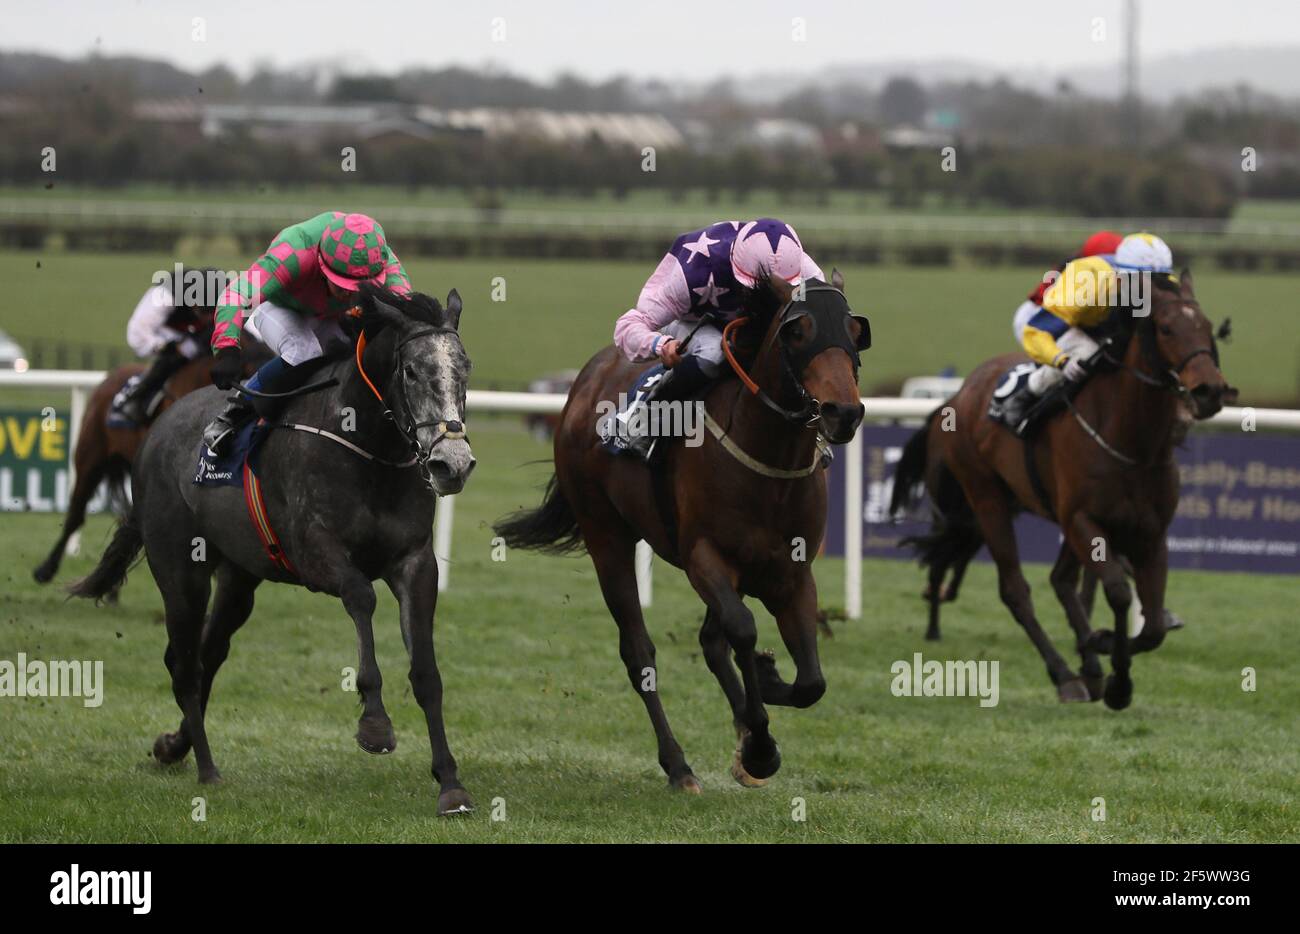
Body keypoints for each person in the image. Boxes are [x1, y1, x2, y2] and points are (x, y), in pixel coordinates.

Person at [609, 218, 823, 459]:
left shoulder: (806, 272)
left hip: (751, 324)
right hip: (692, 320)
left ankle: (809, 430)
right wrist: (660, 344)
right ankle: (648, 415)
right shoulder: (690, 272)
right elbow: (628, 325)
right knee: (713, 353)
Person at [201, 212, 411, 455]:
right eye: (342, 286)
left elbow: (406, 318)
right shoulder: (293, 251)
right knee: (305, 351)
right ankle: (234, 414)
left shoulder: (383, 261)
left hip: (331, 315)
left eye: (357, 288)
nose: (349, 294)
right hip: (280, 307)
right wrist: (227, 349)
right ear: (322, 264)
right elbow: (235, 295)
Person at [1000, 232, 1174, 429]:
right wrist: (1061, 361)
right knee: (1087, 353)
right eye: (1144, 283)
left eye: (1158, 281)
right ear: (1122, 275)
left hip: (1093, 319)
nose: (1151, 290)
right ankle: (1024, 396)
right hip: (1044, 317)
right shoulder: (1087, 281)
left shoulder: (1148, 278)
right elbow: (1038, 331)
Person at [110, 268, 222, 425]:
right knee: (178, 355)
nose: (208, 318)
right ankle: (136, 396)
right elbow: (137, 334)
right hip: (162, 330)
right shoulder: (164, 296)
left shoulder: (228, 293)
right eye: (205, 312)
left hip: (192, 330)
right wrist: (166, 347)